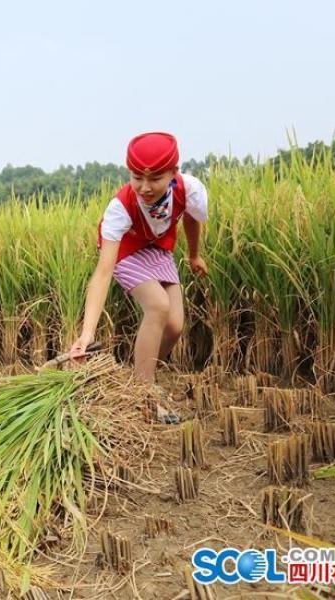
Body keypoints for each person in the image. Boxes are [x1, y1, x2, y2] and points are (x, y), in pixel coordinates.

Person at [68, 132, 209, 423]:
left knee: (174, 325)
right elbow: (103, 272)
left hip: (158, 249)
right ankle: (143, 396)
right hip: (126, 252)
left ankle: (136, 382)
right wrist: (87, 334)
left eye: (155, 178)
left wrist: (194, 255)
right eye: (136, 178)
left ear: (174, 172)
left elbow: (193, 219)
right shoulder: (119, 208)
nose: (144, 188)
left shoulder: (191, 189)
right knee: (157, 306)